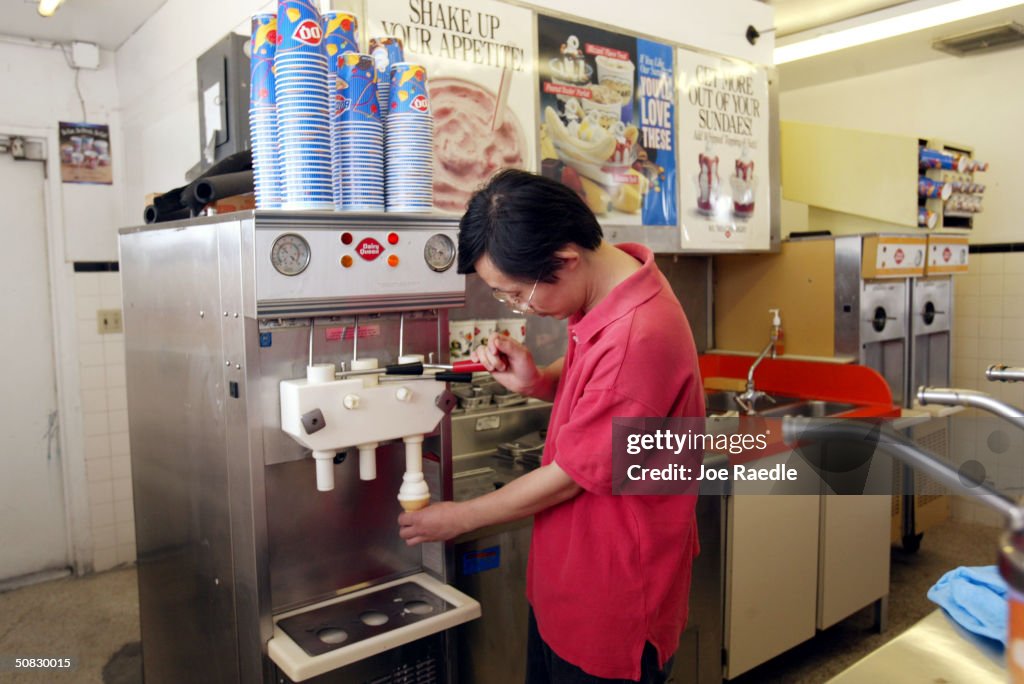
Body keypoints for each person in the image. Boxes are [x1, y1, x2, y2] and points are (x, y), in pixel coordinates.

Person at [398, 169, 704, 683]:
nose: (520, 307)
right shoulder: (619, 283)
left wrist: (461, 518)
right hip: (573, 577)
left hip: (614, 598)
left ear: (565, 259)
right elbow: (601, 380)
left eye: (516, 294)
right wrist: (539, 381)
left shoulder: (639, 334)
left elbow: (568, 474)